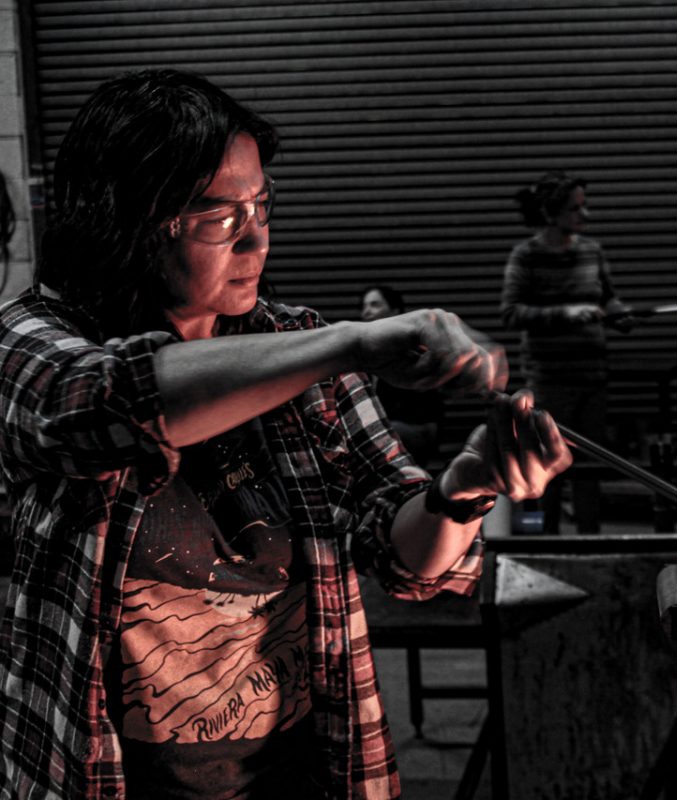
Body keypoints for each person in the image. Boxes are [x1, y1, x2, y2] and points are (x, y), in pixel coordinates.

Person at [0, 69, 571, 800]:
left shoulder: (298, 344)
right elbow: (113, 401)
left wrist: (466, 486)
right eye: (221, 217)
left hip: (303, 772)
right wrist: (355, 343)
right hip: (102, 776)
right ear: (130, 221)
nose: (257, 238)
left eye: (263, 204)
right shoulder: (31, 342)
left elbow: (408, 559)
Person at [500, 171, 631, 534]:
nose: (584, 216)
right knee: (551, 462)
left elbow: (607, 298)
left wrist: (620, 313)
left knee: (591, 464)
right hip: (551, 379)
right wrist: (568, 313)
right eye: (575, 209)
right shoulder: (526, 256)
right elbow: (511, 313)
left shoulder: (593, 251)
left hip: (593, 375)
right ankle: (550, 539)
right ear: (551, 214)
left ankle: (590, 538)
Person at [359, 284, 446, 467]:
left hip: (415, 428)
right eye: (364, 306)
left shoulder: (411, 348)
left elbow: (426, 408)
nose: (366, 312)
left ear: (394, 311)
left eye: (374, 305)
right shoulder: (366, 351)